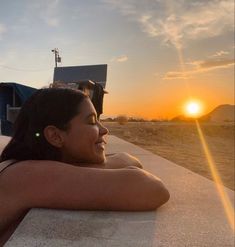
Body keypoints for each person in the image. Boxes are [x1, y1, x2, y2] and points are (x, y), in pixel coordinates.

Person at [0, 88, 170, 244]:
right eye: (92, 122)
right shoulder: (27, 175)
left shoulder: (26, 166)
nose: (104, 130)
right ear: (55, 136)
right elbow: (151, 188)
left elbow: (128, 159)